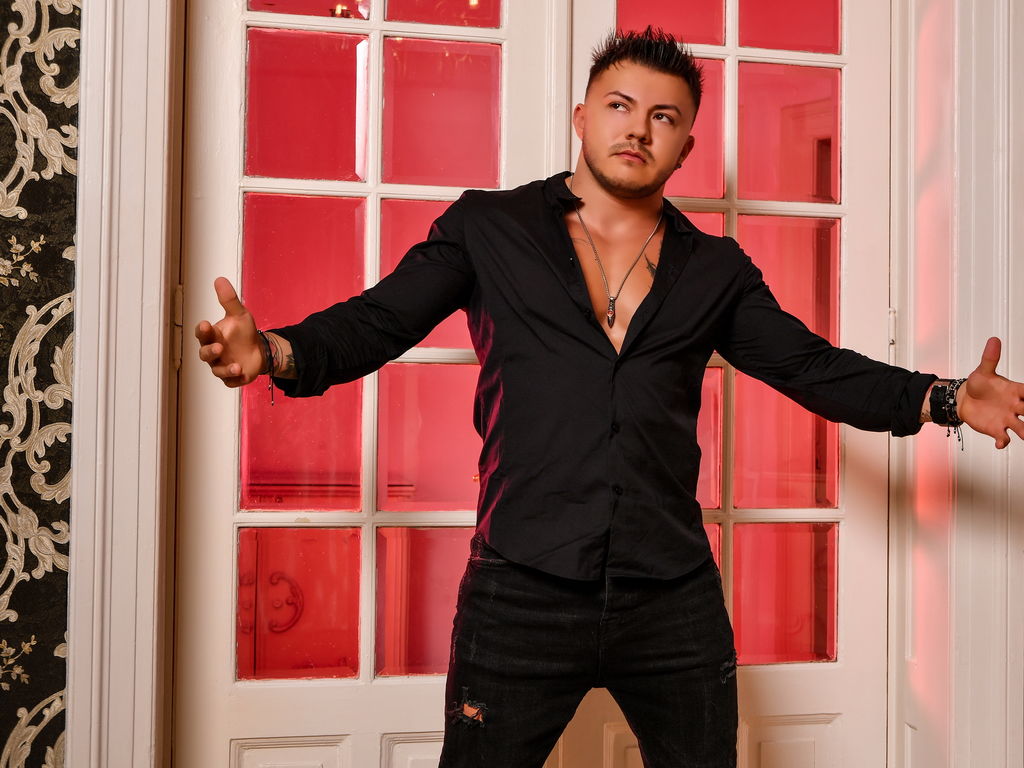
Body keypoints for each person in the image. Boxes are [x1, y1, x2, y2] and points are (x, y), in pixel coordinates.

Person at [195, 28, 1024, 768]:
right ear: (581, 117)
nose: (638, 129)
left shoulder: (717, 271)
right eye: (620, 106)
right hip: (520, 587)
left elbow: (814, 368)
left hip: (671, 596)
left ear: (685, 146)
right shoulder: (489, 229)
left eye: (663, 117)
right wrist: (274, 351)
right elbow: (378, 322)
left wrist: (949, 398)